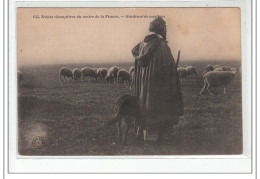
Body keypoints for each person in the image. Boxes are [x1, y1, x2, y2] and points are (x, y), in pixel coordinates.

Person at [132, 16, 184, 142]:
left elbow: (134, 53)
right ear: (161, 30)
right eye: (164, 28)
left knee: (145, 105)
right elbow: (167, 67)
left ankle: (144, 134)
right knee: (159, 107)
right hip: (158, 85)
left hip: (144, 85)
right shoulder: (161, 45)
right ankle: (160, 136)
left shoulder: (141, 44)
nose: (166, 31)